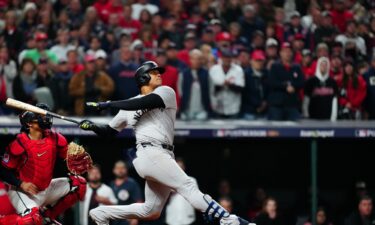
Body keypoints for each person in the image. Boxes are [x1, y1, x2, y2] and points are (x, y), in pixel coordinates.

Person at [78, 61, 253, 225]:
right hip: (150, 152)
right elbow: (109, 132)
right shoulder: (127, 106)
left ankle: (102, 213)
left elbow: (145, 102)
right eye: (153, 73)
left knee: (151, 211)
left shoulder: (165, 92)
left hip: (163, 154)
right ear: (143, 78)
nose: (159, 75)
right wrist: (93, 126)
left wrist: (108, 104)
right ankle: (228, 219)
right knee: (188, 185)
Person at [0, 103, 87, 225]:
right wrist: (21, 184)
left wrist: (77, 157)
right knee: (31, 219)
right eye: (40, 116)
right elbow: (2, 171)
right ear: (29, 123)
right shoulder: (19, 143)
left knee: (79, 184)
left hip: (45, 189)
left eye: (45, 115)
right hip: (22, 191)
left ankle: (47, 217)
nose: (45, 118)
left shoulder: (55, 138)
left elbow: (68, 157)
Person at [267, 42, 304, 121]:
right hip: (277, 105)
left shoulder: (297, 67)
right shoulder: (275, 66)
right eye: (285, 51)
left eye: (289, 51)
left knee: (295, 129)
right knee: (276, 128)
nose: (288, 53)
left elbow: (301, 82)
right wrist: (286, 86)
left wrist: (292, 86)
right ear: (280, 53)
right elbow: (272, 82)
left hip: (292, 104)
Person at [209, 50, 245, 118]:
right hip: (217, 107)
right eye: (225, 57)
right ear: (221, 58)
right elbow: (210, 89)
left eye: (229, 57)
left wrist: (229, 85)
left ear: (232, 58)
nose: (227, 59)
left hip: (233, 108)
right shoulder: (214, 69)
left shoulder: (238, 70)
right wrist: (222, 84)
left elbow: (241, 89)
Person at [178, 49, 211, 121]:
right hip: (187, 111)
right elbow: (180, 91)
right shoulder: (183, 74)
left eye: (199, 59)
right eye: (194, 59)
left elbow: (211, 90)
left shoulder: (206, 73)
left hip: (202, 111)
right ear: (190, 60)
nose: (197, 61)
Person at [109, 161, 142, 225]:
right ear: (114, 170)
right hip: (114, 220)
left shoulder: (132, 183)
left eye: (122, 168)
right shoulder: (111, 184)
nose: (120, 170)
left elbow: (139, 202)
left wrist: (135, 218)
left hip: (127, 221)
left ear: (126, 170)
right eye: (118, 168)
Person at [165, 158, 197, 225]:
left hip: (188, 218)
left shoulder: (192, 180)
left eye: (181, 167)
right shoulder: (167, 181)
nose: (179, 169)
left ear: (184, 168)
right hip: (172, 219)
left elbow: (196, 199)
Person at [242, 50, 268, 120]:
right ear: (251, 61)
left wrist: (265, 103)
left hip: (264, 111)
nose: (259, 63)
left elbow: (269, 91)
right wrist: (257, 105)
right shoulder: (246, 74)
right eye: (256, 60)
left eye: (261, 61)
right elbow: (245, 94)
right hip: (249, 110)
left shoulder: (267, 74)